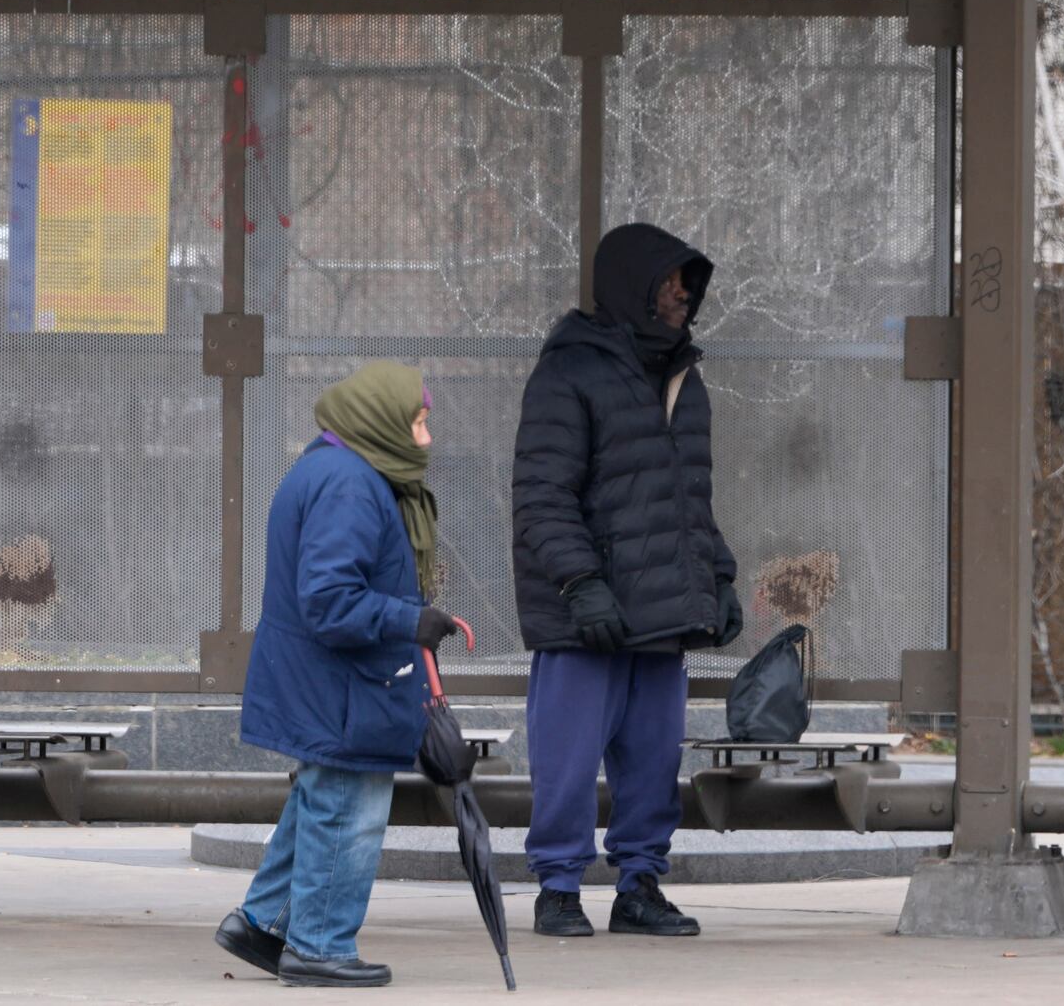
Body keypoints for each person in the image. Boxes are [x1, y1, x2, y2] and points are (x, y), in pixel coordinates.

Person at [513, 222, 742, 938]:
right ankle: (558, 887)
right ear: (632, 284)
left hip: (661, 610)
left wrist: (720, 576)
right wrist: (579, 582)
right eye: (670, 280)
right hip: (587, 615)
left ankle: (639, 884)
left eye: (688, 283)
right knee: (568, 761)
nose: (682, 294)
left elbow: (687, 498)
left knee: (652, 761)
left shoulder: (683, 375)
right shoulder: (570, 370)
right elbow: (541, 494)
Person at [213, 361, 459, 988]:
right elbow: (329, 601)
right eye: (419, 423)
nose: (426, 439)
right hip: (344, 689)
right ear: (381, 421)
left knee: (322, 801)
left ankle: (266, 925)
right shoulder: (350, 484)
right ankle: (319, 945)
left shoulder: (335, 468)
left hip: (332, 684)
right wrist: (411, 619)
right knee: (347, 807)